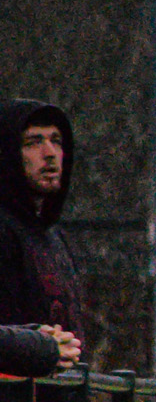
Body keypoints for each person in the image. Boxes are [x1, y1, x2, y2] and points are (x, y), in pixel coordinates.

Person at [0, 100, 87, 359]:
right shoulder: (5, 231)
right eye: (33, 142)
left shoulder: (51, 235)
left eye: (56, 140)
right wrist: (39, 349)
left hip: (58, 394)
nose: (49, 152)